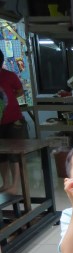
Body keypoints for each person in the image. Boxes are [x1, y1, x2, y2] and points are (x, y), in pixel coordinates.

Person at [0, 49, 27, 193]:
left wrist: (8, 99)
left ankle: (15, 185)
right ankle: (5, 184)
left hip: (13, 120)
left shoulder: (9, 75)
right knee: (1, 155)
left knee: (14, 154)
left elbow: (20, 91)